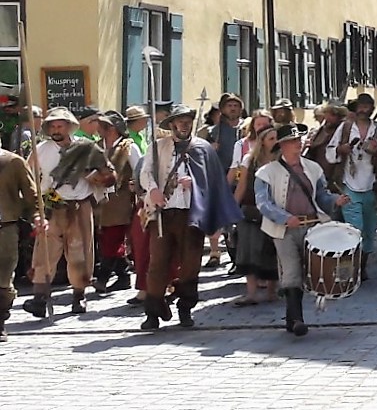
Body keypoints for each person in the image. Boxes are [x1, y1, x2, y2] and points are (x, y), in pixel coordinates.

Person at [136, 105, 239, 330]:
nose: (184, 124)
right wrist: (153, 189)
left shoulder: (202, 148)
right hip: (163, 214)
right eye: (180, 121)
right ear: (172, 124)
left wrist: (195, 183)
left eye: (187, 120)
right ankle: (153, 311)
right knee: (158, 263)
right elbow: (145, 173)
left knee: (191, 263)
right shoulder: (158, 147)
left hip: (192, 215)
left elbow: (213, 181)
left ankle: (185, 307)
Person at [253, 129, 347, 336]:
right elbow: (263, 203)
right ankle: (297, 319)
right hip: (283, 229)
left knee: (313, 270)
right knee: (291, 271)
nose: (298, 144)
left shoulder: (313, 168)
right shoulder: (266, 173)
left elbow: (322, 196)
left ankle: (291, 318)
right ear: (283, 146)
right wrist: (285, 217)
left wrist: (334, 201)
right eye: (293, 141)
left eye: (298, 140)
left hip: (312, 226)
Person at [21, 107, 109, 319]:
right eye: (52, 125)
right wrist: (34, 203)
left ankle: (79, 296)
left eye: (60, 125)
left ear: (69, 126)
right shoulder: (40, 149)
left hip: (79, 206)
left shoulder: (87, 148)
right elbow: (28, 177)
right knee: (45, 251)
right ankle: (39, 299)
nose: (56, 129)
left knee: (79, 253)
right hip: (51, 206)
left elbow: (109, 175)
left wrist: (93, 176)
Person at [325, 94, 377, 279]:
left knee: (370, 231)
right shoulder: (346, 128)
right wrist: (342, 149)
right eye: (360, 106)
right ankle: (353, 270)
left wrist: (376, 151)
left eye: (367, 106)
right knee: (354, 230)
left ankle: (363, 267)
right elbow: (330, 153)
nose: (363, 110)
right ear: (356, 108)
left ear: (372, 108)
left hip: (373, 186)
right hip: (349, 185)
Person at [90, 112, 141, 296]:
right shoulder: (97, 147)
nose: (97, 128)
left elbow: (139, 170)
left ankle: (103, 278)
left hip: (121, 199)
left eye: (101, 125)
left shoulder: (129, 148)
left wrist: (137, 187)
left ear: (111, 128)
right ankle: (123, 276)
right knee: (106, 238)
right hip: (100, 200)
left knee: (114, 236)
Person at [229, 125, 280, 307]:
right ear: (263, 142)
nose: (275, 142)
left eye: (276, 138)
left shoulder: (282, 161)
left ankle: (271, 292)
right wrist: (233, 208)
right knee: (248, 251)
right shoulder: (250, 160)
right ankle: (251, 293)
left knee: (271, 251)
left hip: (275, 212)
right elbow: (242, 185)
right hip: (250, 209)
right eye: (271, 139)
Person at [0, 140, 38, 340]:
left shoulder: (13, 162)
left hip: (5, 227)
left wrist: (37, 216)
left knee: (3, 278)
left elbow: (31, 195)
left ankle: (0, 319)